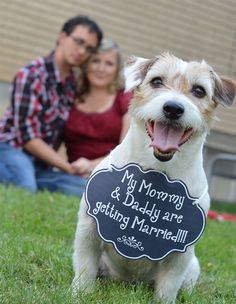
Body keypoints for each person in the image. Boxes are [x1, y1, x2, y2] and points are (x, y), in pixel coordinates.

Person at [0, 15, 103, 196]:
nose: (81, 51)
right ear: (62, 37)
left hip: (41, 163)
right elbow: (27, 138)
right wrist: (66, 167)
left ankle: (28, 176)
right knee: (26, 187)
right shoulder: (31, 74)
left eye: (89, 49)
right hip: (11, 148)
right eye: (78, 42)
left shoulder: (72, 85)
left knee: (84, 189)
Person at [63, 38, 132, 180]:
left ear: (117, 69)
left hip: (111, 172)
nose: (101, 69)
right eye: (95, 61)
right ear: (86, 64)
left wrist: (91, 165)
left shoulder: (124, 99)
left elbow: (126, 149)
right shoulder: (71, 95)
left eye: (109, 64)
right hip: (74, 172)